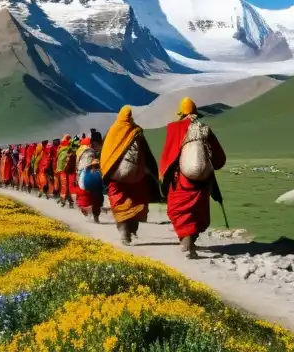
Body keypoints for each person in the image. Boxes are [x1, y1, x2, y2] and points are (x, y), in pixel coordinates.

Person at [159, 97, 227, 258]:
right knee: (198, 210)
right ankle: (190, 242)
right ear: (195, 112)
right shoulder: (204, 128)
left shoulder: (174, 128)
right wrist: (212, 167)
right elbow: (218, 155)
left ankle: (187, 244)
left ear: (182, 113)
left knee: (178, 209)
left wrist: (167, 172)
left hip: (183, 177)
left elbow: (170, 153)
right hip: (203, 179)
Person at [100, 106, 161, 245]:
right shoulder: (137, 132)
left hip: (115, 174)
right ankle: (132, 228)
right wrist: (153, 175)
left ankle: (123, 231)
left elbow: (105, 152)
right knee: (136, 199)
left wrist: (105, 172)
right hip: (135, 175)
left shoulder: (111, 131)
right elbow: (147, 156)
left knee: (118, 200)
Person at [75, 133, 104, 222]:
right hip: (91, 174)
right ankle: (95, 216)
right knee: (97, 196)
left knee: (83, 196)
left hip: (81, 176)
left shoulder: (79, 151)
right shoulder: (92, 152)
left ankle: (87, 212)